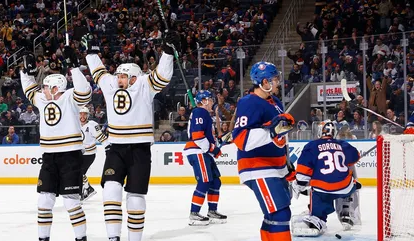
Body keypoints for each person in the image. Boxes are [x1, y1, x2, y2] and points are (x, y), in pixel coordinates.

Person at [83, 30, 180, 241]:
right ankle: (113, 237)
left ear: (134, 78)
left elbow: (163, 76)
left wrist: (168, 52)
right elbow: (99, 71)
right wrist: (91, 52)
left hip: (140, 149)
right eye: (118, 75)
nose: (118, 79)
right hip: (116, 148)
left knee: (135, 196)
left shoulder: (145, 85)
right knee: (110, 189)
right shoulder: (111, 84)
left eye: (123, 76)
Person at [20, 48, 92, 241]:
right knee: (44, 201)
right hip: (49, 157)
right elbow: (28, 90)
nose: (41, 89)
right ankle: (43, 239)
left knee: (71, 203)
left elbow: (85, 92)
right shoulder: (43, 99)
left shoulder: (70, 98)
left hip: (70, 156)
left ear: (54, 88)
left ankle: (81, 238)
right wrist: (25, 72)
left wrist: (75, 69)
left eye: (45, 86)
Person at [231, 61, 296, 241]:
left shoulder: (275, 102)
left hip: (275, 167)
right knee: (280, 214)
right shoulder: (249, 102)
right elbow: (240, 139)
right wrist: (272, 130)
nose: (278, 82)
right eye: (274, 79)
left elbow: (280, 138)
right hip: (258, 167)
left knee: (274, 216)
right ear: (264, 82)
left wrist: (286, 164)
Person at [291, 120, 361, 237]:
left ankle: (318, 219)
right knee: (354, 183)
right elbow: (356, 156)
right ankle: (346, 212)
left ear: (319, 132)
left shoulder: (311, 146)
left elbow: (303, 176)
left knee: (317, 190)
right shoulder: (343, 144)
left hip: (322, 190)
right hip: (345, 187)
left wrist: (298, 186)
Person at [184, 90, 227, 226]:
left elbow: (206, 137)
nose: (212, 101)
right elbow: (197, 136)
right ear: (203, 101)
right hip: (197, 151)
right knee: (205, 181)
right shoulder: (200, 112)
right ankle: (194, 213)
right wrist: (213, 149)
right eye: (209, 99)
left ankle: (212, 211)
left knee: (215, 181)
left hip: (203, 151)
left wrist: (215, 145)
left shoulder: (204, 114)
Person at [79, 106, 110, 201]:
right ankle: (86, 189)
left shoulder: (92, 125)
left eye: (85, 114)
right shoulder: (75, 124)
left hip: (89, 154)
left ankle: (87, 189)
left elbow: (101, 138)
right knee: (77, 172)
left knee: (79, 172)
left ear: (88, 115)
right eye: (81, 114)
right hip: (80, 154)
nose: (83, 116)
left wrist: (108, 148)